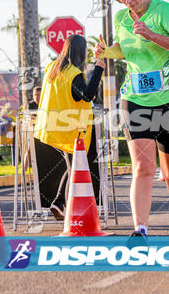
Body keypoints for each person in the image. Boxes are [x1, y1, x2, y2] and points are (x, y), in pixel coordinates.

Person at [96, 0, 169, 244]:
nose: (128, 1)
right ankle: (140, 229)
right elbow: (128, 51)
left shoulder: (165, 11)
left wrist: (151, 34)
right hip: (136, 100)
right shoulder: (121, 18)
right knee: (142, 167)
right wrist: (108, 52)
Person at [34, 35, 105, 220]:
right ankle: (70, 211)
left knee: (73, 166)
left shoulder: (52, 68)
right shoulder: (73, 74)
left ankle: (59, 203)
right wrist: (99, 69)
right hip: (70, 129)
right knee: (75, 168)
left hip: (50, 127)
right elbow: (88, 96)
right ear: (80, 52)